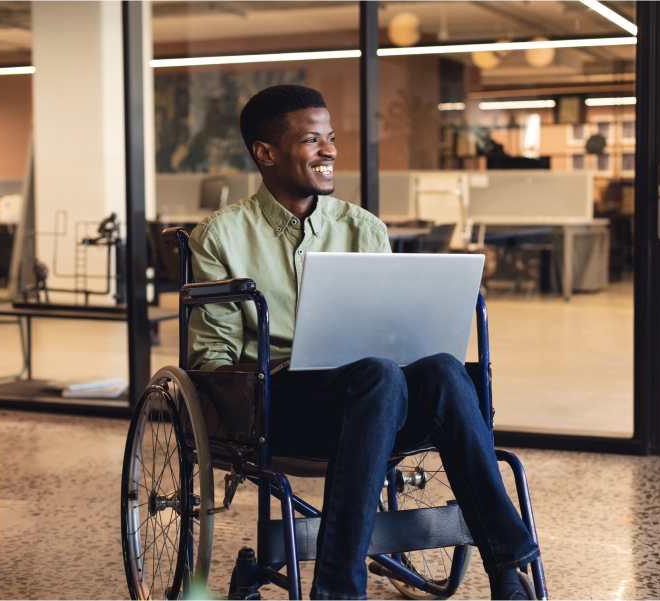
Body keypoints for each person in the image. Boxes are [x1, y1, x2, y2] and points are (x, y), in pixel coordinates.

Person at [188, 84, 540, 600]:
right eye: (313, 140)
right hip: (280, 403)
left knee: (442, 367)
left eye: (330, 138)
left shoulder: (362, 227)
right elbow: (210, 359)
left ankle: (505, 569)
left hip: (378, 399)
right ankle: (339, 590)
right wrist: (281, 363)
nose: (330, 150)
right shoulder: (220, 237)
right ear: (265, 153)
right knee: (377, 373)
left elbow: (395, 335)